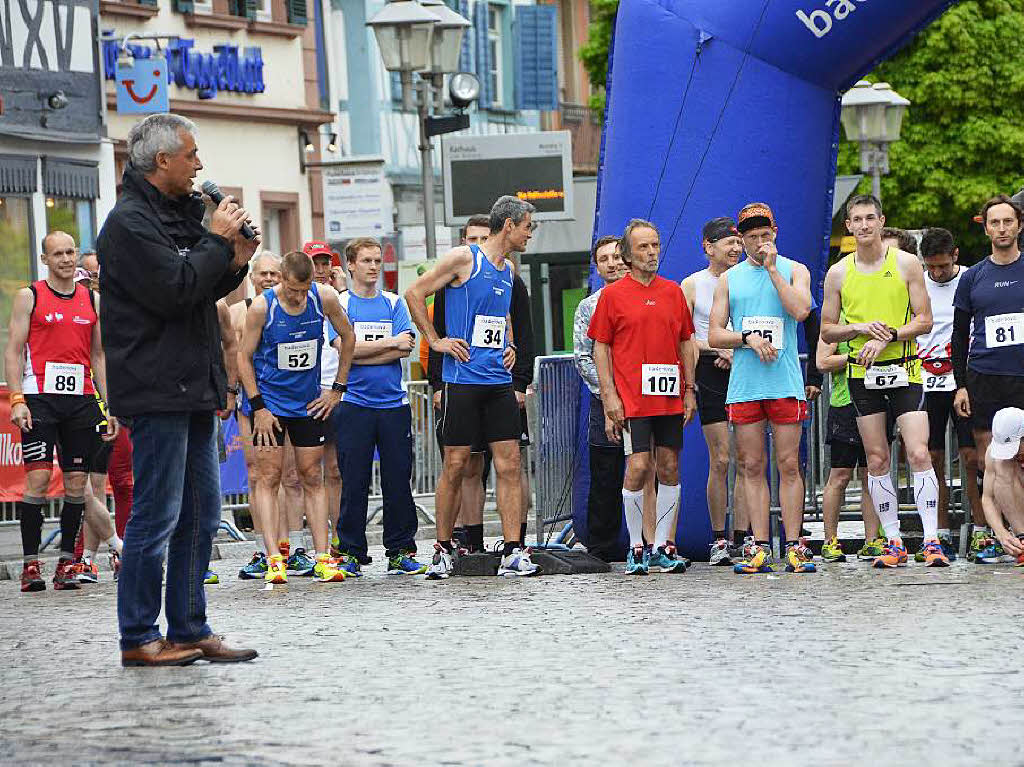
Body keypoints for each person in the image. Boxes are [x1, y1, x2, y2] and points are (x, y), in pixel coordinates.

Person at [99, 113, 258, 666]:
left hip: (192, 382)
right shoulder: (128, 224)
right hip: (155, 385)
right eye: (191, 154)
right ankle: (138, 636)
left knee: (202, 510)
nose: (199, 164)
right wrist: (214, 242)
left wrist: (235, 258)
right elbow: (175, 288)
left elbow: (205, 285)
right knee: (157, 513)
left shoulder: (180, 212)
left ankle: (189, 626)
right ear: (161, 160)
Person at [405, 195, 536, 578]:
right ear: (508, 225)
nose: (531, 234)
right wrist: (436, 340)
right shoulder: (464, 258)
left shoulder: (509, 270)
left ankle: (513, 550)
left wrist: (509, 343)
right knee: (457, 465)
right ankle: (443, 549)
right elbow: (415, 293)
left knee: (510, 463)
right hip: (461, 380)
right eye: (528, 226)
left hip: (498, 381)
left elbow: (501, 317)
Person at [820, 193, 947, 569]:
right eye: (856, 220)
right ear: (848, 226)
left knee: (919, 453)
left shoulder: (907, 264)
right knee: (876, 458)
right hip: (863, 375)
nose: (863, 225)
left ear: (881, 219)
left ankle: (931, 540)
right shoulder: (839, 273)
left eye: (870, 218)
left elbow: (924, 320)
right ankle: (892, 540)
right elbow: (827, 331)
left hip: (905, 369)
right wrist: (858, 328)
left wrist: (889, 334)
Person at [4, 231, 118, 592]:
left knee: (75, 484)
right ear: (45, 259)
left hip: (81, 399)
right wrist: (18, 399)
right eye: (58, 254)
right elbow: (12, 350)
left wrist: (109, 403)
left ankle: (68, 562)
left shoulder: (92, 299)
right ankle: (30, 564)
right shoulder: (30, 295)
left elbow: (98, 355)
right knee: (37, 480)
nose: (67, 259)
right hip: (39, 397)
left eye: (70, 252)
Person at [708, 203, 816, 574]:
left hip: (784, 382)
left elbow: (801, 311)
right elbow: (714, 332)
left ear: (775, 233)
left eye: (764, 236)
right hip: (746, 385)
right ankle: (757, 544)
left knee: (788, 463)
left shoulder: (793, 269)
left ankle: (793, 543)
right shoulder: (729, 279)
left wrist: (772, 270)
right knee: (752, 465)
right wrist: (746, 338)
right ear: (741, 238)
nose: (759, 243)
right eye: (752, 238)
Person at [238, 251, 355, 584]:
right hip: (270, 406)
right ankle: (275, 558)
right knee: (269, 476)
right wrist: (258, 406)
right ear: (280, 280)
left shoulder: (324, 297)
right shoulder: (263, 307)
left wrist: (337, 389)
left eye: (304, 290)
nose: (298, 297)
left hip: (308, 403)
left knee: (311, 476)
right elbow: (243, 358)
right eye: (292, 290)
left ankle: (321, 558)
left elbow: (348, 337)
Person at [590, 218, 696, 575]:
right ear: (628, 255)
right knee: (638, 467)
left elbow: (686, 341)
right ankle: (637, 545)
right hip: (633, 399)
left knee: (669, 467)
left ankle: (663, 545)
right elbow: (600, 348)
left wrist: (690, 389)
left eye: (655, 245)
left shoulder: (672, 292)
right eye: (643, 248)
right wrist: (609, 397)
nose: (651, 253)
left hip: (669, 396)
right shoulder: (612, 295)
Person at [333, 238, 426, 575]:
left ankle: (400, 549)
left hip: (394, 404)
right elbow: (344, 351)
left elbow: (406, 348)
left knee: (398, 480)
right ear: (351, 266)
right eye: (367, 261)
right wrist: (386, 344)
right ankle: (351, 552)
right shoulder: (340, 303)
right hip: (354, 403)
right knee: (354, 480)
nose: (374, 267)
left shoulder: (393, 302)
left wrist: (359, 346)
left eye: (377, 261)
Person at [574, 235, 655, 562]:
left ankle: (655, 543)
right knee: (605, 474)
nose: (612, 263)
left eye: (616, 257)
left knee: (651, 470)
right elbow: (583, 357)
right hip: (605, 403)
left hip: (646, 400)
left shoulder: (650, 299)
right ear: (597, 267)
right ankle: (601, 549)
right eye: (603, 259)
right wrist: (610, 394)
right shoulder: (588, 307)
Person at [953, 194, 1024, 563]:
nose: (1001, 229)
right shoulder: (973, 277)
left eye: (1007, 222)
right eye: (994, 223)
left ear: (1019, 225)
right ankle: (994, 534)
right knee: (990, 461)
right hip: (985, 378)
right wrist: (960, 383)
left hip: (1022, 377)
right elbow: (959, 334)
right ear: (987, 228)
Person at [681, 217, 747, 565]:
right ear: (708, 247)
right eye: (728, 243)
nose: (736, 248)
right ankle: (720, 539)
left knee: (750, 459)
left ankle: (748, 537)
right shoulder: (692, 284)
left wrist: (737, 351)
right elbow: (684, 336)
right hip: (709, 370)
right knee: (721, 458)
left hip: (748, 367)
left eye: (739, 242)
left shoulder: (750, 277)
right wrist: (716, 349)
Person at [915, 228, 980, 561]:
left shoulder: (971, 278)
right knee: (933, 458)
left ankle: (982, 529)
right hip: (927, 381)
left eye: (942, 266)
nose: (937, 273)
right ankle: (939, 532)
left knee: (973, 457)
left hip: (964, 379)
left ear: (955, 255)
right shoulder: (916, 283)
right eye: (931, 267)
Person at [230, 253, 283, 580]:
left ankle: (291, 545)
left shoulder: (294, 308)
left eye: (273, 274)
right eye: (262, 273)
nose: (267, 279)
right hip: (251, 401)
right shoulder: (239, 311)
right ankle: (266, 548)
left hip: (287, 400)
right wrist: (233, 394)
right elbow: (233, 354)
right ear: (252, 277)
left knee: (289, 477)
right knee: (256, 473)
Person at [816, 333, 883, 562]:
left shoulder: (879, 318)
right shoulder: (838, 322)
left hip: (877, 399)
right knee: (840, 476)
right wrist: (853, 356)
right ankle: (830, 541)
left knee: (872, 474)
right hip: (844, 404)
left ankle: (872, 541)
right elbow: (822, 361)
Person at [304, 240, 345, 554]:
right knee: (299, 473)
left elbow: (349, 338)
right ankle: (297, 544)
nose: (320, 270)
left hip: (333, 392)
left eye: (324, 263)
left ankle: (337, 538)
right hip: (302, 393)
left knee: (334, 470)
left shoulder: (337, 300)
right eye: (314, 263)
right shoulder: (291, 300)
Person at [979, 407, 1024, 565]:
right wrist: (1001, 533)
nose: (1013, 454)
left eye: (1015, 447)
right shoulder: (993, 452)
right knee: (1001, 465)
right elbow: (988, 499)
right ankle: (1021, 538)